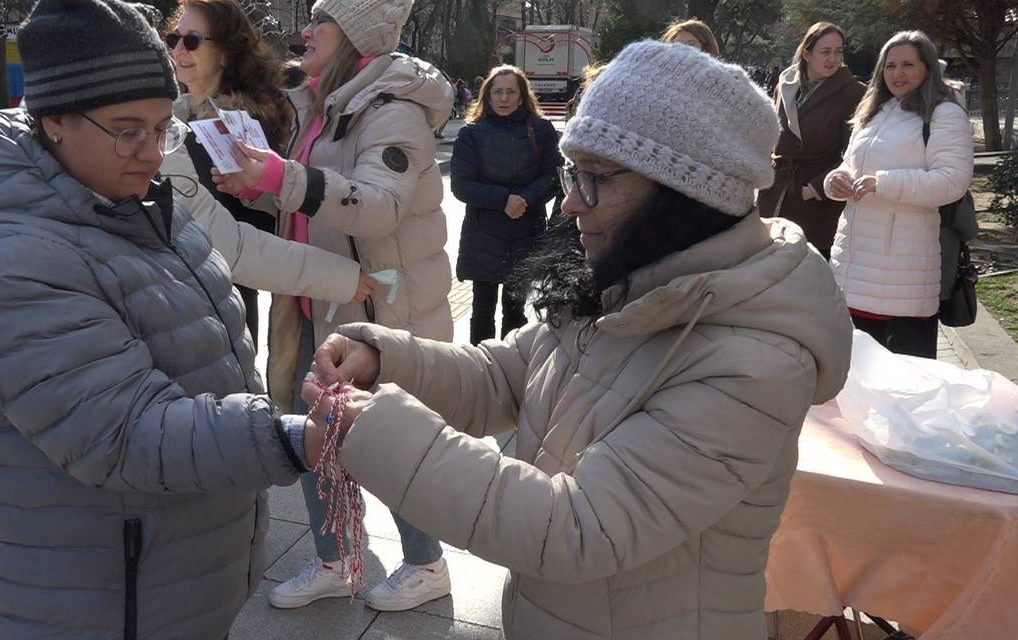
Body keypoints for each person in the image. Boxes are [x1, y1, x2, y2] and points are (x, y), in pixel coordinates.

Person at [303, 41, 853, 639]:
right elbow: (503, 375)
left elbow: (580, 528)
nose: (570, 201)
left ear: (684, 194)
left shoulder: (755, 359)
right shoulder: (626, 277)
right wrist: (385, 360)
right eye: (572, 173)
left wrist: (379, 430)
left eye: (594, 179)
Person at [0, 0, 328, 635]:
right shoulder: (6, 261)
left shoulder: (141, 205)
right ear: (54, 120)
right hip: (102, 600)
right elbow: (123, 432)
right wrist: (297, 438)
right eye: (126, 129)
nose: (150, 152)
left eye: (164, 127)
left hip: (170, 577)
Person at [212, 0, 457, 613]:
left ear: (355, 33)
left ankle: (427, 563)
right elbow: (310, 207)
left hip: (382, 310)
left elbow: (377, 206)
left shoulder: (394, 109)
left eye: (321, 19)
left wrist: (281, 177)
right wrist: (260, 186)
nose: (305, 29)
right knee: (313, 431)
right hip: (317, 301)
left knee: (386, 438)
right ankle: (335, 560)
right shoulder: (318, 102)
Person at [825, 30, 974, 358]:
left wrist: (883, 183)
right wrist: (835, 181)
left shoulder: (943, 113)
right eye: (890, 66)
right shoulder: (875, 111)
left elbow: (952, 181)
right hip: (854, 265)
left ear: (928, 68)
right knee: (856, 378)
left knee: (907, 382)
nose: (897, 73)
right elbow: (850, 165)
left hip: (904, 276)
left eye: (908, 64)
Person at [166, 0, 300, 348]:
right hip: (168, 291)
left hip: (223, 297)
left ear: (225, 54)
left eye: (192, 41)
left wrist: (251, 190)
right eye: (173, 39)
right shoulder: (169, 116)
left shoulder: (244, 125)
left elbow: (273, 218)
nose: (179, 49)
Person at [451, 64, 559, 344]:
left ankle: (511, 373)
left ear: (522, 96)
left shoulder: (542, 130)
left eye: (511, 91)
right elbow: (461, 185)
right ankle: (479, 374)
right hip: (483, 234)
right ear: (487, 95)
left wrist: (525, 199)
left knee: (516, 312)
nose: (504, 98)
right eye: (498, 91)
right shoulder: (470, 134)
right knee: (482, 311)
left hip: (525, 232)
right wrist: (503, 200)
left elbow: (554, 176)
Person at [757, 22, 865, 257]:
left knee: (807, 275)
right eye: (825, 51)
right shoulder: (785, 85)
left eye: (839, 51)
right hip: (776, 189)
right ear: (807, 53)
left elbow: (855, 153)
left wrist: (815, 188)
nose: (833, 59)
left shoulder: (854, 92)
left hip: (817, 199)